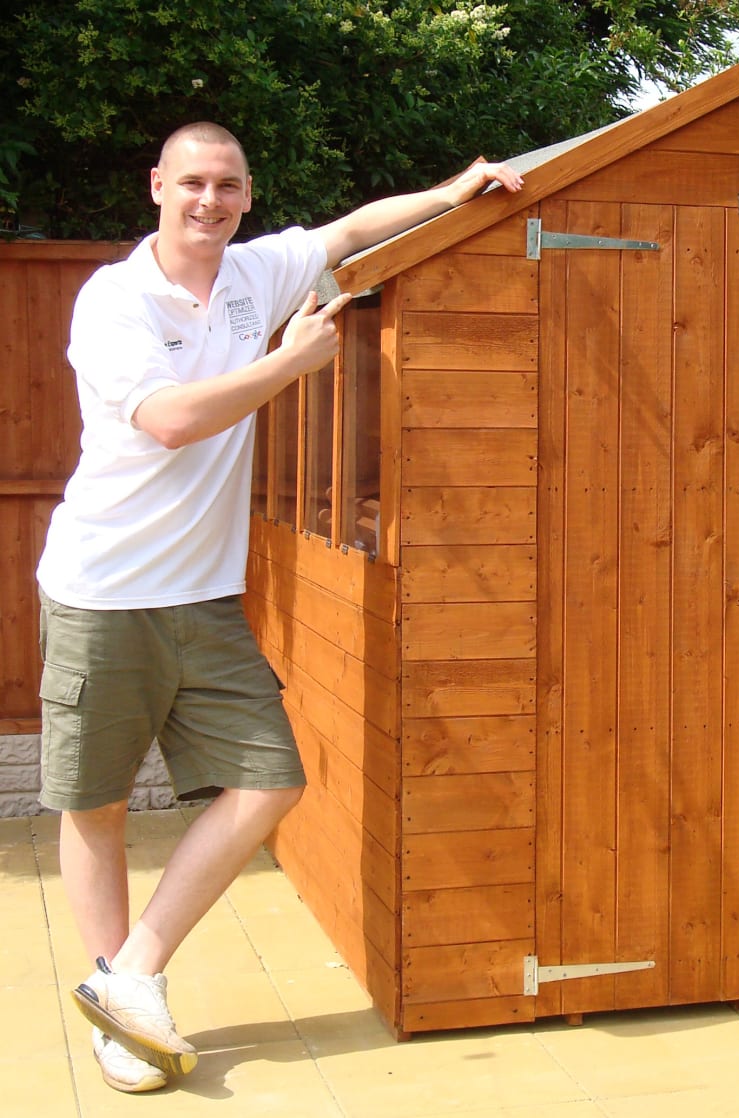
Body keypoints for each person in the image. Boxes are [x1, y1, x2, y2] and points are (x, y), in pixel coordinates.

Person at [35, 122, 523, 1094]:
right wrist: (293, 364)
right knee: (95, 805)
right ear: (157, 188)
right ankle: (118, 1012)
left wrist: (454, 186)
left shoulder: (257, 271)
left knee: (270, 779)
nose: (208, 200)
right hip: (103, 588)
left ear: (247, 193)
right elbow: (171, 420)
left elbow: (347, 233)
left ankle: (130, 974)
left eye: (226, 184)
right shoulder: (117, 300)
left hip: (205, 595)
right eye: (191, 184)